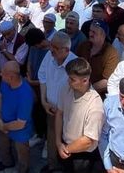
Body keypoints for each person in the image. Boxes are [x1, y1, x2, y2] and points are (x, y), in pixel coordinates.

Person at [55, 58, 104, 173]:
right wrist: (58, 142)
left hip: (83, 156)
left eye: (72, 79)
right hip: (65, 146)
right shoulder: (66, 88)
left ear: (85, 80)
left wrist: (65, 149)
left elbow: (88, 140)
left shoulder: (95, 105)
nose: (68, 81)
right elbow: (59, 113)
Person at [38, 32, 78, 172]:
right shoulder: (49, 56)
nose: (51, 49)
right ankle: (52, 166)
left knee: (67, 142)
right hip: (50, 110)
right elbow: (42, 76)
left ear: (66, 50)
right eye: (51, 45)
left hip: (68, 115)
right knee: (52, 138)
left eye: (55, 47)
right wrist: (43, 100)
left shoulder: (75, 64)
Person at [0, 61, 35, 172]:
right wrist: (0, 118)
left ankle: (24, 170)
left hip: (20, 131)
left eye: (3, 73)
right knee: (2, 145)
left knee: (22, 153)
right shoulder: (5, 82)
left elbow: (20, 123)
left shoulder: (25, 94)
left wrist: (4, 127)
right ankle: (7, 162)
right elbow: (0, 96)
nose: (0, 74)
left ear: (11, 77)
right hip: (3, 122)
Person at [75, 20, 119, 96]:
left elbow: (107, 81)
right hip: (77, 88)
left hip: (97, 95)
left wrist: (87, 90)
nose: (90, 34)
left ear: (103, 35)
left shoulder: (111, 53)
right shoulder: (83, 46)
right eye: (90, 31)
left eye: (94, 32)